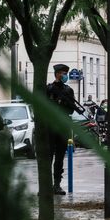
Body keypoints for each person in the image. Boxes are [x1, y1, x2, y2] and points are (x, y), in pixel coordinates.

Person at [46, 64, 78, 195]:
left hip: (63, 125)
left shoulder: (68, 90)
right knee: (48, 157)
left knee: (60, 157)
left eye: (66, 73)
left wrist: (63, 103)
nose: (65, 75)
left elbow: (71, 109)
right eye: (63, 73)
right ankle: (46, 185)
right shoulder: (48, 89)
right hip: (50, 125)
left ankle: (57, 184)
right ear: (57, 74)